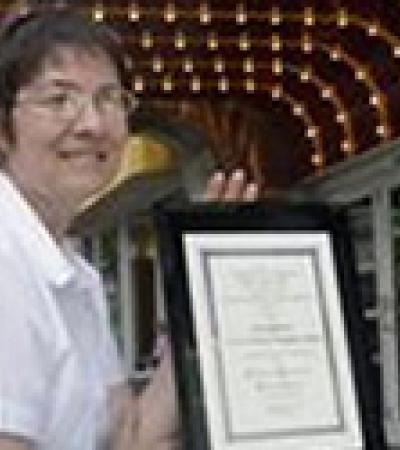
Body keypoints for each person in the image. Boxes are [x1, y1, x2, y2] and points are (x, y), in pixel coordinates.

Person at [0, 6, 259, 450]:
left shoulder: (73, 270)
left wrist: (203, 291)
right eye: (59, 99)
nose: (91, 124)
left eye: (109, 99)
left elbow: (130, 435)